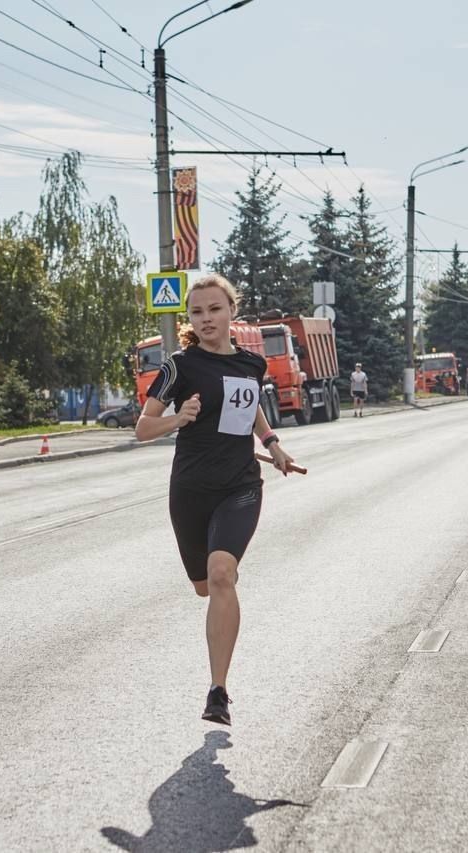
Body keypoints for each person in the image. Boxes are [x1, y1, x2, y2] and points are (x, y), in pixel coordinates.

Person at [134, 274, 296, 727]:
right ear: (191, 319)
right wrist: (178, 418)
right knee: (204, 586)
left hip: (240, 484)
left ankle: (218, 691)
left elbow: (249, 409)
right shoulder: (178, 367)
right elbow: (143, 428)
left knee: (223, 575)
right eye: (197, 312)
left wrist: (273, 443)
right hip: (190, 490)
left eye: (214, 309)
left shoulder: (252, 365)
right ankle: (218, 658)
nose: (206, 319)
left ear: (231, 312)